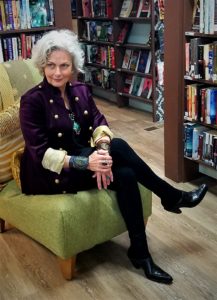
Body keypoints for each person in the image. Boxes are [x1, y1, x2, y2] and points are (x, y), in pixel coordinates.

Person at [19, 29, 208, 285]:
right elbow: (40, 153)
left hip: (82, 156)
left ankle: (141, 254)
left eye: (64, 65)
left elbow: (99, 122)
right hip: (52, 172)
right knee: (119, 148)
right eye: (51, 65)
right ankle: (171, 197)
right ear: (42, 65)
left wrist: (103, 156)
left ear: (73, 65)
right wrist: (88, 163)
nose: (57, 72)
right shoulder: (32, 100)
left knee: (125, 169)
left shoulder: (80, 91)